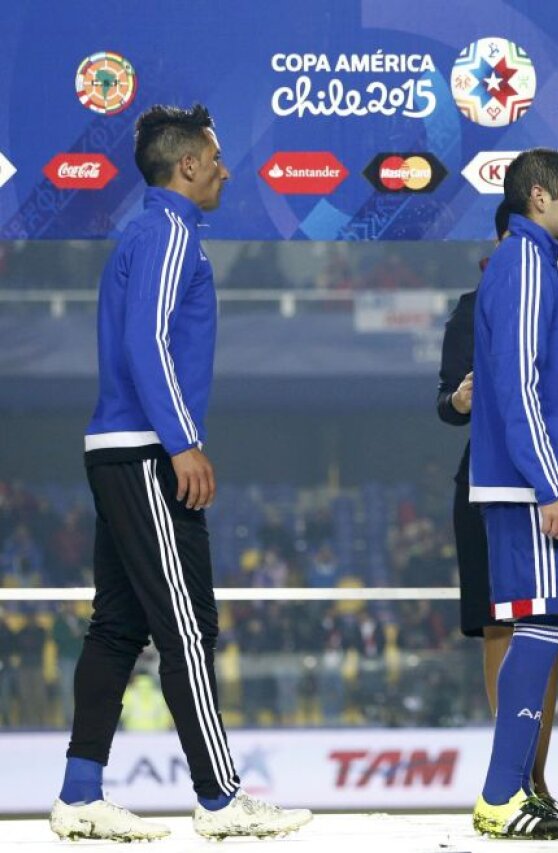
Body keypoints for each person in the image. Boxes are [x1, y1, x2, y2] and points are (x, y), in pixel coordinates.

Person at [52, 104, 312, 842]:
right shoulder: (169, 233)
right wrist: (181, 441)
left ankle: (79, 793)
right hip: (143, 451)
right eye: (215, 156)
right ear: (188, 165)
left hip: (116, 447)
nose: (227, 170)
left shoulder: (146, 232)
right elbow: (148, 342)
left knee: (116, 626)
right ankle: (221, 799)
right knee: (188, 628)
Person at [437, 200, 558, 813]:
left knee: (544, 627)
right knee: (507, 626)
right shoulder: (477, 303)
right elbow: (453, 401)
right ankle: (510, 782)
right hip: (506, 483)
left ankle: (530, 776)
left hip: (549, 478)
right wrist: (461, 397)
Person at [468, 148, 558, 840]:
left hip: (526, 482)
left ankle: (515, 788)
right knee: (539, 633)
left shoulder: (532, 265)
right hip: (530, 488)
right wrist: (551, 483)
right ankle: (499, 794)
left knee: (539, 633)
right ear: (538, 197)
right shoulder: (522, 266)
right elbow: (517, 385)